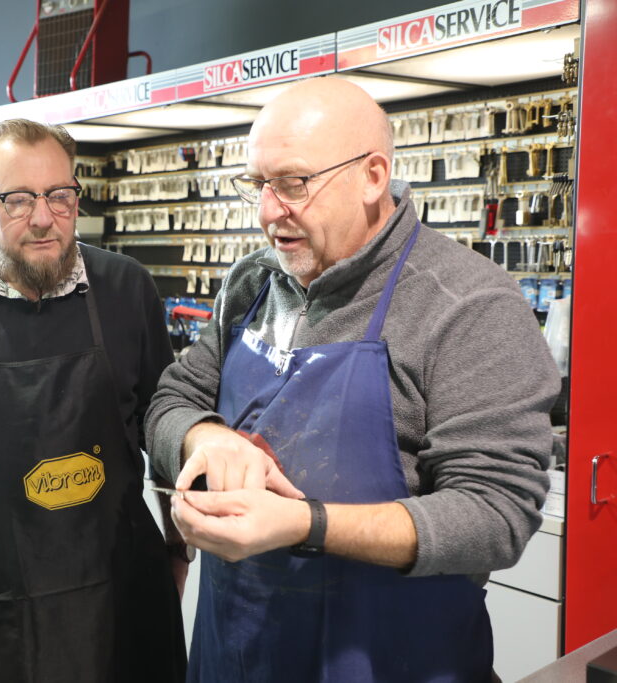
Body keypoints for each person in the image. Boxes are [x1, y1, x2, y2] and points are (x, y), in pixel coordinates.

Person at [146, 77, 560, 682]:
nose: (267, 211)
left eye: (293, 183)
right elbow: (171, 400)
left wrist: (306, 523)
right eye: (257, 185)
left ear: (372, 177)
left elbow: (495, 516)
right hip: (236, 658)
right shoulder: (253, 283)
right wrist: (206, 438)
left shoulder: (468, 304)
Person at [0, 118, 187, 682]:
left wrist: (177, 548)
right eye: (18, 200)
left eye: (60, 196)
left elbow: (162, 423)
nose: (44, 218)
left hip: (123, 596)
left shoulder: (126, 288)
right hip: (1, 611)